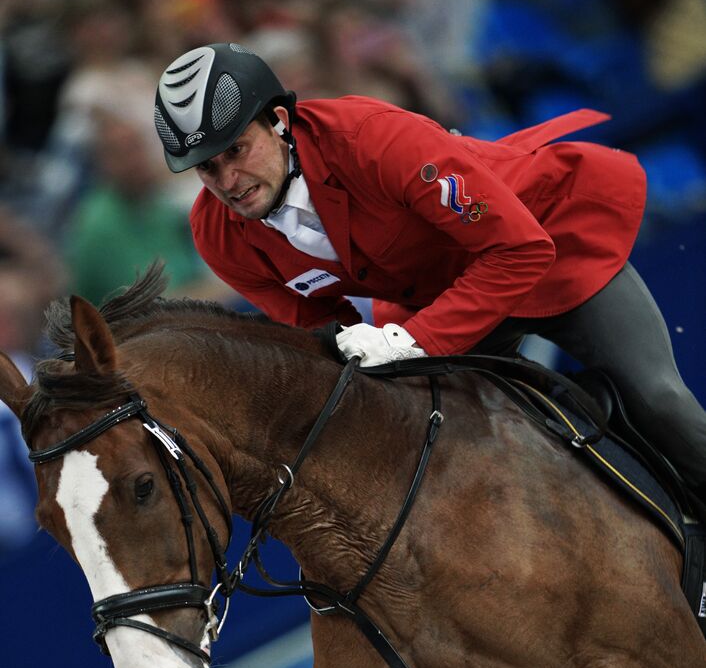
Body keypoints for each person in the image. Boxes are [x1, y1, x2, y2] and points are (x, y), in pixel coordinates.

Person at [153, 42, 706, 507]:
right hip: (431, 303)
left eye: (237, 151)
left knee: (658, 400)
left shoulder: (373, 139)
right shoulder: (218, 233)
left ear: (278, 121)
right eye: (208, 167)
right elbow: (320, 332)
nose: (228, 181)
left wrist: (414, 340)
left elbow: (519, 250)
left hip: (542, 243)